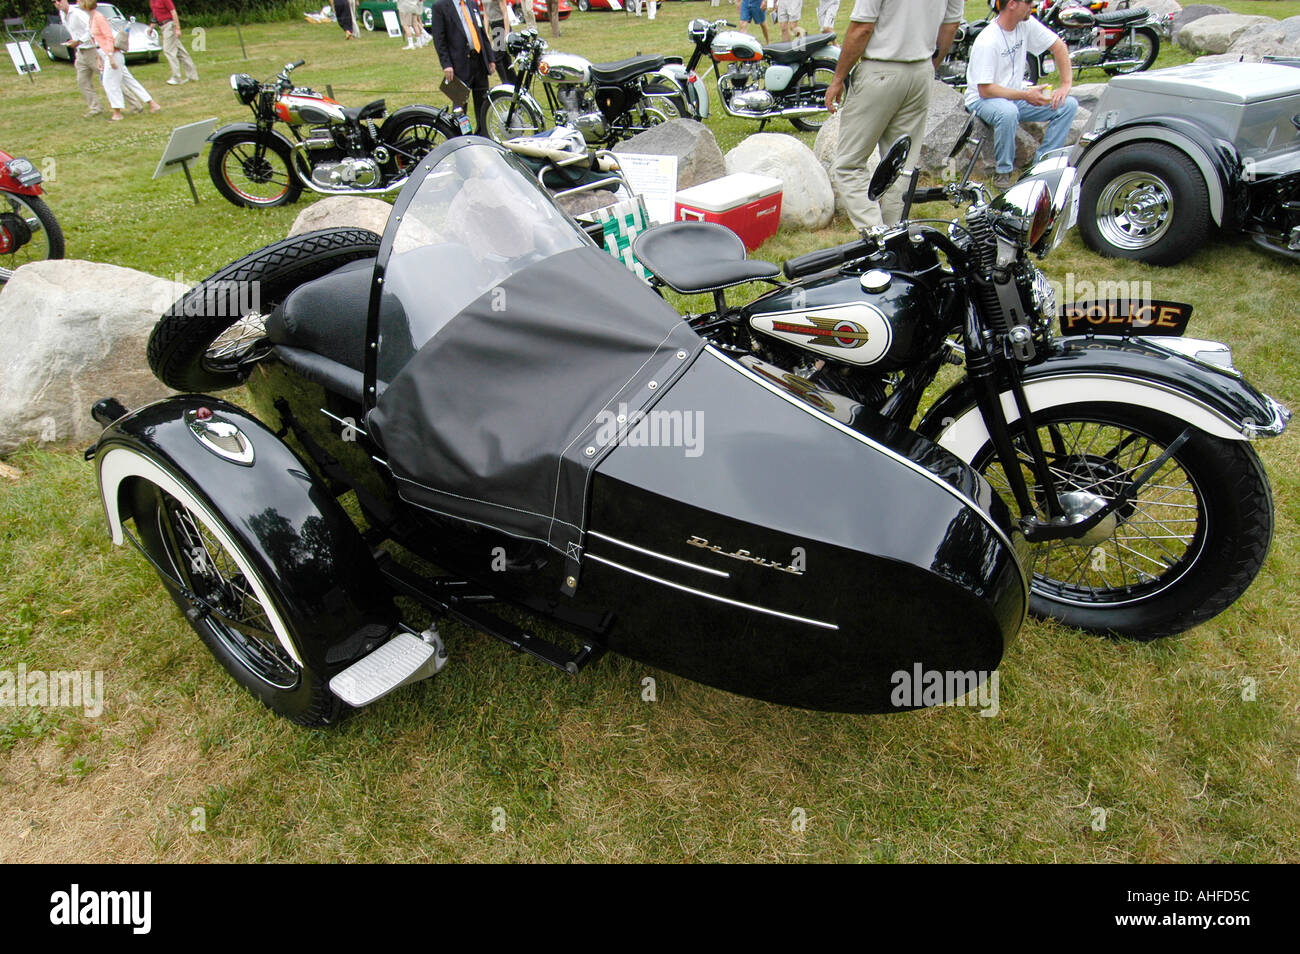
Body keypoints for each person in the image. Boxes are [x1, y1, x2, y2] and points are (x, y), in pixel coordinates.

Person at [825, 0, 962, 232]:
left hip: (880, 68)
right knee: (901, 166)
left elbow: (862, 28)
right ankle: (895, 237)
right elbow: (951, 25)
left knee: (848, 165)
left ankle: (877, 237)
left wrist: (838, 78)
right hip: (921, 70)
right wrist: (931, 65)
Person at [965, 0, 1077, 190]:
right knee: (1008, 113)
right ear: (1012, 4)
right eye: (1028, 2)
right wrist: (1025, 95)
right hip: (983, 99)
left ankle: (1042, 167)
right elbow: (985, 89)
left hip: (1015, 95)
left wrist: (1065, 85)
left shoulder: (1026, 23)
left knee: (1068, 105)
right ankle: (1003, 173)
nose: (1032, 6)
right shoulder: (988, 40)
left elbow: (1058, 46)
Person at [84, 0, 160, 120]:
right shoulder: (92, 18)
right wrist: (99, 57)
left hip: (112, 54)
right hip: (105, 53)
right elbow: (97, 40)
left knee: (109, 83)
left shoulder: (98, 17)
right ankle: (153, 104)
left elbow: (108, 37)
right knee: (129, 80)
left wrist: (110, 56)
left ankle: (117, 113)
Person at [430, 0, 496, 133]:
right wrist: (446, 64)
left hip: (479, 61)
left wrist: (490, 58)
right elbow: (439, 39)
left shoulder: (472, 4)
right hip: (458, 64)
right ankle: (464, 135)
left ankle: (483, 134)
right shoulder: (440, 7)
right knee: (460, 107)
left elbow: (481, 32)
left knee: (483, 103)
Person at [55, 0, 102, 117]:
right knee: (82, 81)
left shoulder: (77, 13)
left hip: (91, 49)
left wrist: (79, 41)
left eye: (59, 1)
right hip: (80, 52)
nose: (57, 3)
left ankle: (134, 103)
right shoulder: (62, 14)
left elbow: (92, 29)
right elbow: (75, 32)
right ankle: (95, 108)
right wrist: (74, 40)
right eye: (54, 2)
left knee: (108, 78)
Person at [149, 0, 198, 85]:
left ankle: (176, 77)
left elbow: (173, 12)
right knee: (181, 52)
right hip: (162, 27)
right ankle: (192, 76)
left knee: (168, 51)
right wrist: (151, 28)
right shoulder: (152, 1)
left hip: (170, 26)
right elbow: (155, 16)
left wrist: (177, 28)